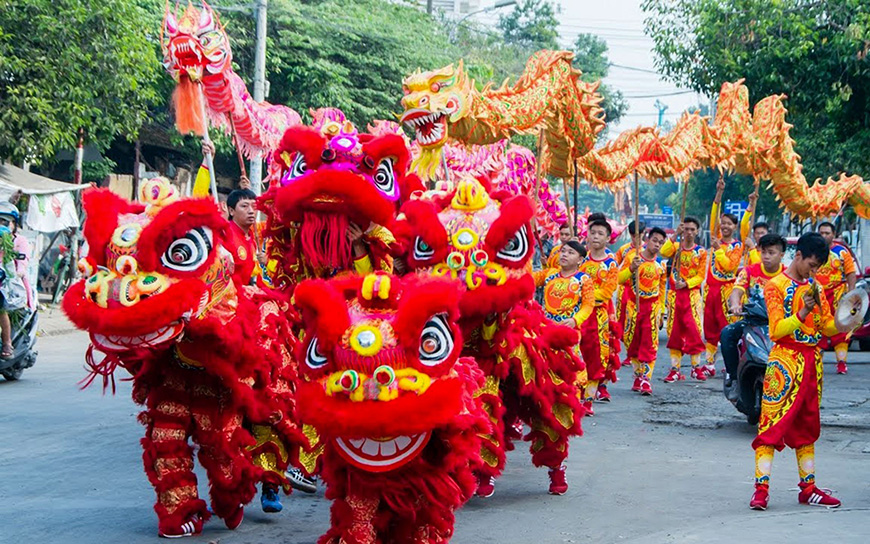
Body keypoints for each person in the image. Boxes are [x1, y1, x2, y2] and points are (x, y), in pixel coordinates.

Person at [750, 232, 851, 511]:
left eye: (818, 267)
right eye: (812, 264)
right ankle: (761, 490)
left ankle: (808, 488)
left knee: (807, 427)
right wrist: (803, 313)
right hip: (784, 361)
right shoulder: (776, 286)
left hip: (811, 363)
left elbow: (827, 326)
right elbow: (776, 330)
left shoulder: (816, 287)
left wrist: (847, 321)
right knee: (770, 427)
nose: (814, 271)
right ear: (798, 256)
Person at [721, 233, 786, 397]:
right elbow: (737, 291)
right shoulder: (749, 271)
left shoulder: (787, 275)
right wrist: (735, 304)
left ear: (781, 255)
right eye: (763, 252)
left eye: (771, 253)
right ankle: (734, 378)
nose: (766, 257)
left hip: (779, 323)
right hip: (753, 321)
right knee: (727, 333)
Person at [619, 227, 667, 395]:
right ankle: (638, 374)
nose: (657, 245)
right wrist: (631, 268)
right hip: (633, 306)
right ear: (646, 240)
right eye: (655, 240)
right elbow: (618, 279)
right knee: (631, 341)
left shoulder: (661, 265)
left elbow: (662, 289)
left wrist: (661, 311)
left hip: (652, 308)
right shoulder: (633, 258)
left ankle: (646, 379)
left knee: (650, 343)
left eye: (661, 242)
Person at [703, 178, 743, 376]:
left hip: (726, 290)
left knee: (727, 329)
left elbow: (729, 266)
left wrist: (718, 250)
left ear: (734, 227)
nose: (725, 227)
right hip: (710, 290)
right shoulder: (715, 237)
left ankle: (730, 365)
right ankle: (709, 363)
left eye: (729, 224)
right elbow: (714, 213)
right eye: (723, 224)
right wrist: (718, 193)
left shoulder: (736, 246)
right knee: (709, 328)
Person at [578, 219, 619, 413]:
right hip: (577, 316)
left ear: (608, 238)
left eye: (600, 233)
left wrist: (585, 294)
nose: (595, 236)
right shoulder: (581, 259)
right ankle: (575, 397)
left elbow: (607, 291)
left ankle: (588, 400)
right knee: (577, 355)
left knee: (595, 356)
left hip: (598, 316)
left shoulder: (611, 264)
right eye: (592, 232)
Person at [660, 217, 707, 382]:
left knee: (694, 330)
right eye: (686, 229)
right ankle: (675, 370)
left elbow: (701, 275)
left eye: (692, 229)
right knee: (674, 331)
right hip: (674, 296)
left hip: (692, 295)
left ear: (697, 231)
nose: (689, 232)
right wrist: (674, 235)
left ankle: (696, 367)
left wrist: (686, 283)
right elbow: (663, 252)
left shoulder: (701, 252)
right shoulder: (675, 247)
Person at [815, 221, 857, 374]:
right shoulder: (813, 251)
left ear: (833, 235)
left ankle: (841, 363)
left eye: (827, 233)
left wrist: (851, 294)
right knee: (815, 327)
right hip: (817, 295)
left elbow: (851, 274)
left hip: (837, 294)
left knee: (841, 328)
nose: (824, 236)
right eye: (821, 233)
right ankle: (815, 362)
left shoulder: (842, 252)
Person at [0, 202, 30, 359]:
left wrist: (19, 271)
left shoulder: (13, 240)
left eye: (5, 221)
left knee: (1, 308)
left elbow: (20, 262)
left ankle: (7, 343)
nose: (2, 224)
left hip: (8, 281)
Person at [223, 188, 266, 286]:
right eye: (244, 206)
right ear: (231, 211)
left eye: (254, 207)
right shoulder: (224, 234)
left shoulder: (253, 235)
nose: (251, 211)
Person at [614, 220, 645, 340]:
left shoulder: (647, 249)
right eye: (633, 236)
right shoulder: (624, 249)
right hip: (625, 288)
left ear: (644, 233)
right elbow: (614, 264)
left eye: (638, 236)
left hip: (642, 289)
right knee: (622, 317)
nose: (635, 239)